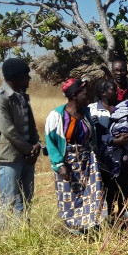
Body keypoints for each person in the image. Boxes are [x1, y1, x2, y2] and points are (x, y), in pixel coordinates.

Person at [45, 79, 107, 233]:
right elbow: (51, 142)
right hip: (68, 163)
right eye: (86, 94)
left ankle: (89, 224)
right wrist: (59, 165)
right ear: (74, 95)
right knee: (70, 195)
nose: (89, 97)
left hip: (87, 162)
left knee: (91, 193)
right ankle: (73, 227)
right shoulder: (57, 116)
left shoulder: (86, 113)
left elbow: (91, 137)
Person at [0, 58, 41, 231]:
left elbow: (31, 124)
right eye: (26, 75)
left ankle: (22, 233)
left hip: (27, 155)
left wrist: (36, 144)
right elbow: (8, 130)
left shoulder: (22, 96)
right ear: (15, 77)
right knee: (9, 199)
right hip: (10, 156)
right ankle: (4, 237)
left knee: (26, 198)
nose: (29, 79)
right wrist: (30, 150)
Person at [89, 79, 128, 217]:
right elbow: (95, 133)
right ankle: (108, 213)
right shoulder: (93, 109)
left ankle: (124, 210)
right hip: (104, 156)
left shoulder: (121, 107)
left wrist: (127, 135)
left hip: (124, 154)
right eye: (113, 90)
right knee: (109, 186)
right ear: (103, 93)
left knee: (125, 184)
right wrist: (115, 141)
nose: (116, 92)